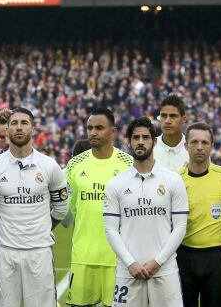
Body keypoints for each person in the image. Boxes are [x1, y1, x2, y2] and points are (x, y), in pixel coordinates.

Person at [0, 107, 69, 307]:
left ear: (33, 128)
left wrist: (42, 229)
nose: (19, 128)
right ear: (7, 130)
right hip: (4, 252)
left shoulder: (49, 166)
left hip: (39, 252)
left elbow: (61, 209)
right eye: (14, 123)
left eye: (24, 123)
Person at [103, 117, 188, 307]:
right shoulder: (116, 184)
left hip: (164, 270)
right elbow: (110, 230)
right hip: (128, 271)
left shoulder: (172, 180)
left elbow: (180, 226)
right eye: (136, 138)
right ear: (129, 142)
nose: (140, 142)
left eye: (145, 137)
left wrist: (158, 261)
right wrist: (130, 262)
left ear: (154, 141)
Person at [65, 108, 133, 307]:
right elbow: (74, 209)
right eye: (90, 128)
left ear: (113, 131)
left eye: (99, 128)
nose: (93, 132)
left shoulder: (128, 165)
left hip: (117, 258)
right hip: (83, 256)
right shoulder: (75, 165)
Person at [176, 122, 221, 307]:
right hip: (183, 256)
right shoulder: (175, 179)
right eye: (194, 142)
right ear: (186, 145)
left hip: (216, 257)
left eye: (204, 142)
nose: (199, 147)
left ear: (212, 144)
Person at [153, 95, 189, 171]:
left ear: (183, 119)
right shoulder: (150, 148)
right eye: (163, 116)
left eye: (173, 116)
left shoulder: (193, 149)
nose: (167, 121)